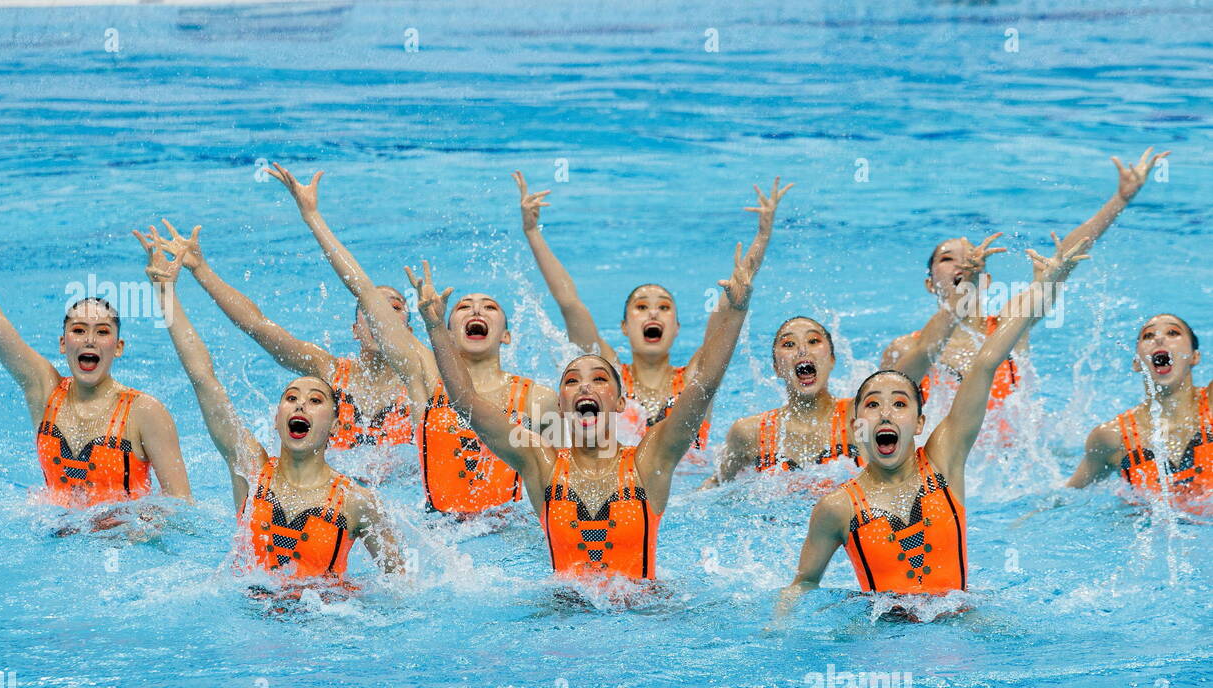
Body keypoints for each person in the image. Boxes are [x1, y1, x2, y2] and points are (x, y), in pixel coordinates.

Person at [408, 177, 785, 581]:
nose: (585, 386)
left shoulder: (650, 460)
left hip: (646, 619)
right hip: (559, 621)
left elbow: (705, 383)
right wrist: (433, 325)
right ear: (561, 404)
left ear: (621, 403)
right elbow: (465, 402)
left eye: (598, 379)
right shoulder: (540, 463)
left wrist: (740, 306)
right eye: (571, 381)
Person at [777, 233, 1089, 613]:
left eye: (900, 404)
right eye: (873, 405)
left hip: (964, 625)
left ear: (921, 421)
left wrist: (1046, 282)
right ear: (856, 424)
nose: (887, 413)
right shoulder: (837, 507)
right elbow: (804, 583)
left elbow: (986, 359)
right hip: (880, 639)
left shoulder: (944, 459)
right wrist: (775, 630)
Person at [265, 163, 558, 517]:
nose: (476, 310)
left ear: (506, 334)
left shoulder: (539, 400)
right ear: (448, 332)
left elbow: (566, 479)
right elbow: (364, 291)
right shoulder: (427, 381)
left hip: (509, 533)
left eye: (490, 307)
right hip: (441, 533)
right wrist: (312, 216)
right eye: (464, 306)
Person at [135, 224, 406, 585]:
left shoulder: (358, 502)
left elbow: (404, 591)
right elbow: (202, 377)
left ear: (337, 425)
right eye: (291, 398)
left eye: (315, 400)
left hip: (328, 628)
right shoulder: (249, 468)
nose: (300, 406)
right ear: (276, 419)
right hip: (250, 623)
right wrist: (165, 293)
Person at [0, 190, 190, 512]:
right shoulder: (43, 390)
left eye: (102, 332)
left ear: (118, 347)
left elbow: (181, 504)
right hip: (56, 533)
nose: (89, 340)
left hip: (126, 546)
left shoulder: (145, 411)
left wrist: (139, 528)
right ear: (63, 344)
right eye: (78, 330)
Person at [514, 172, 785, 455]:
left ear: (677, 327)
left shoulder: (696, 377)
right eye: (641, 307)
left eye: (664, 307)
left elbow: (730, 306)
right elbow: (570, 304)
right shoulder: (608, 379)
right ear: (624, 327)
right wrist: (533, 232)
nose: (653, 313)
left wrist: (763, 236)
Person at [880, 148, 1170, 412]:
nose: (962, 263)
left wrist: (1119, 200)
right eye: (947, 259)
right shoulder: (904, 348)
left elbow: (1063, 260)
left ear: (986, 280)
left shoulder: (1009, 328)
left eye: (970, 257)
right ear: (930, 284)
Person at [704, 247, 990, 488]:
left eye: (814, 341)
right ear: (777, 368)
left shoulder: (862, 417)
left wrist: (964, 291)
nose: (802, 350)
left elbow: (922, 353)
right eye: (788, 345)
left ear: (832, 360)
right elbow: (715, 490)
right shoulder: (749, 433)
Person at [148, 220, 416, 460]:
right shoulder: (329, 372)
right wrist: (201, 269)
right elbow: (258, 326)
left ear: (410, 331)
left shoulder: (425, 384)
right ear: (355, 330)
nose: (380, 318)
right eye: (370, 310)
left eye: (392, 309)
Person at [1067, 313, 1211, 508]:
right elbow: (1067, 496)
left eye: (1173, 332)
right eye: (1148, 336)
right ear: (1137, 363)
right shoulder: (1111, 437)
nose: (1159, 339)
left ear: (1194, 357)